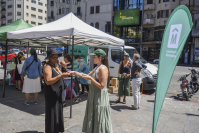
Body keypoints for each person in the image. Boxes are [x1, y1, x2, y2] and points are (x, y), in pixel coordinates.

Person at [70, 49, 112, 133]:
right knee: (94, 115)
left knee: (99, 116)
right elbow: (86, 76)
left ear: (100, 58)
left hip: (99, 96)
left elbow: (102, 86)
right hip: (94, 95)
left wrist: (90, 79)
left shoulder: (103, 68)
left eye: (94, 57)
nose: (92, 58)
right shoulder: (97, 67)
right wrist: (74, 73)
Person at [43, 48, 70, 133]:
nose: (56, 59)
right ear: (49, 57)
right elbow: (48, 81)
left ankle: (56, 130)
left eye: (57, 57)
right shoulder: (47, 66)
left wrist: (64, 67)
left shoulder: (56, 65)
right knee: (52, 113)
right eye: (54, 57)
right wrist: (60, 76)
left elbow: (61, 74)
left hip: (58, 93)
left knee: (58, 113)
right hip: (51, 93)